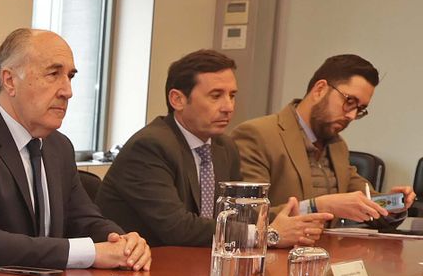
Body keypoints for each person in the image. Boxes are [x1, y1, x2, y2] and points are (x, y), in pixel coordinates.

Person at [0, 28, 149, 273]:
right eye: (53, 74)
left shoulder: (58, 146)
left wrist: (124, 244)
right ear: (9, 81)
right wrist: (92, 252)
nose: (67, 91)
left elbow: (84, 221)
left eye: (70, 76)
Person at [96, 49, 331, 248]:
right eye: (216, 96)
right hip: (143, 273)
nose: (228, 107)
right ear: (177, 99)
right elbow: (178, 228)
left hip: (198, 265)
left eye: (232, 95)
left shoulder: (224, 146)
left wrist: (290, 221)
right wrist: (266, 235)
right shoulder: (150, 147)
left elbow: (240, 215)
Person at [231, 53, 414, 220]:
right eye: (349, 101)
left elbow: (364, 200)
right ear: (320, 90)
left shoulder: (337, 145)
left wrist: (392, 204)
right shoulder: (257, 135)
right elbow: (246, 215)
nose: (351, 115)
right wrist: (316, 207)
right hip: (280, 253)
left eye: (360, 109)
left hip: (328, 252)